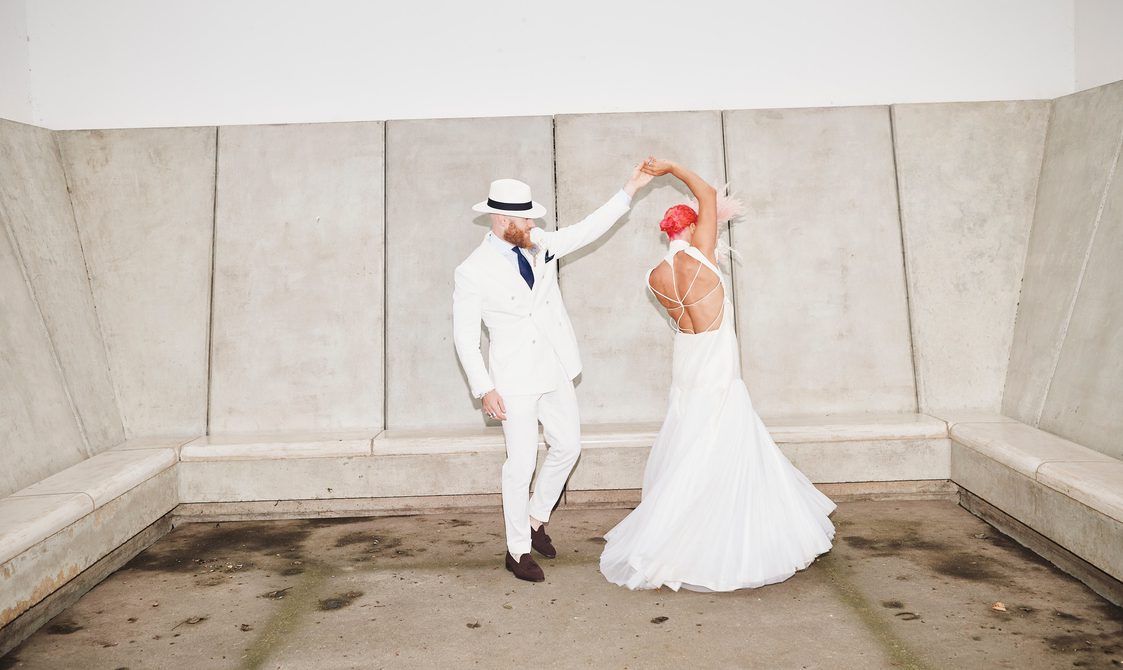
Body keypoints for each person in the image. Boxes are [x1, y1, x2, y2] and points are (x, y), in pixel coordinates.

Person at [599, 157, 836, 591]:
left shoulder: (653, 276)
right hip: (715, 362)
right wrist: (672, 168)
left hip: (686, 362)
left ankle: (682, 526)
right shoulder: (700, 256)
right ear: (690, 229)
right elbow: (707, 193)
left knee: (692, 438)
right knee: (721, 439)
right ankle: (718, 535)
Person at [453, 165, 653, 582]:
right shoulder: (472, 270)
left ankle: (535, 518)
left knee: (569, 447)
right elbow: (465, 338)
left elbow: (586, 231)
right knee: (520, 464)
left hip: (554, 369)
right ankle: (517, 549)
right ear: (504, 221)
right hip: (513, 382)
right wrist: (484, 388)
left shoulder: (538, 243)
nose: (533, 224)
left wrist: (627, 190)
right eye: (525, 219)